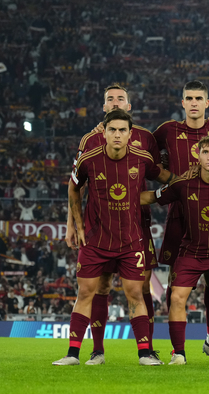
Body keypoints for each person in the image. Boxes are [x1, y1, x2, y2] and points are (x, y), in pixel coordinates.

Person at [53, 109, 177, 366]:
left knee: (135, 292)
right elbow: (73, 186)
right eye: (113, 130)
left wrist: (185, 182)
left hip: (131, 240)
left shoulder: (142, 158)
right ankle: (73, 354)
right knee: (85, 292)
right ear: (105, 133)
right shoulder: (88, 159)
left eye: (122, 130)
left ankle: (144, 354)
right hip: (96, 241)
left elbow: (163, 177)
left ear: (131, 134)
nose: (117, 134)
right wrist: (76, 223)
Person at [140, 135, 209, 366]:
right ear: (198, 156)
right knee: (177, 298)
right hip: (191, 252)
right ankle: (178, 354)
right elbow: (152, 196)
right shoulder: (182, 184)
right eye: (205, 152)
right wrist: (112, 198)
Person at [152, 80, 209, 363]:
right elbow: (144, 155)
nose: (194, 102)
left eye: (199, 98)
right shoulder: (167, 130)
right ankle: (177, 349)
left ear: (207, 103)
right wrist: (170, 179)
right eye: (189, 98)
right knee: (177, 283)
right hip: (179, 215)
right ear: (182, 103)